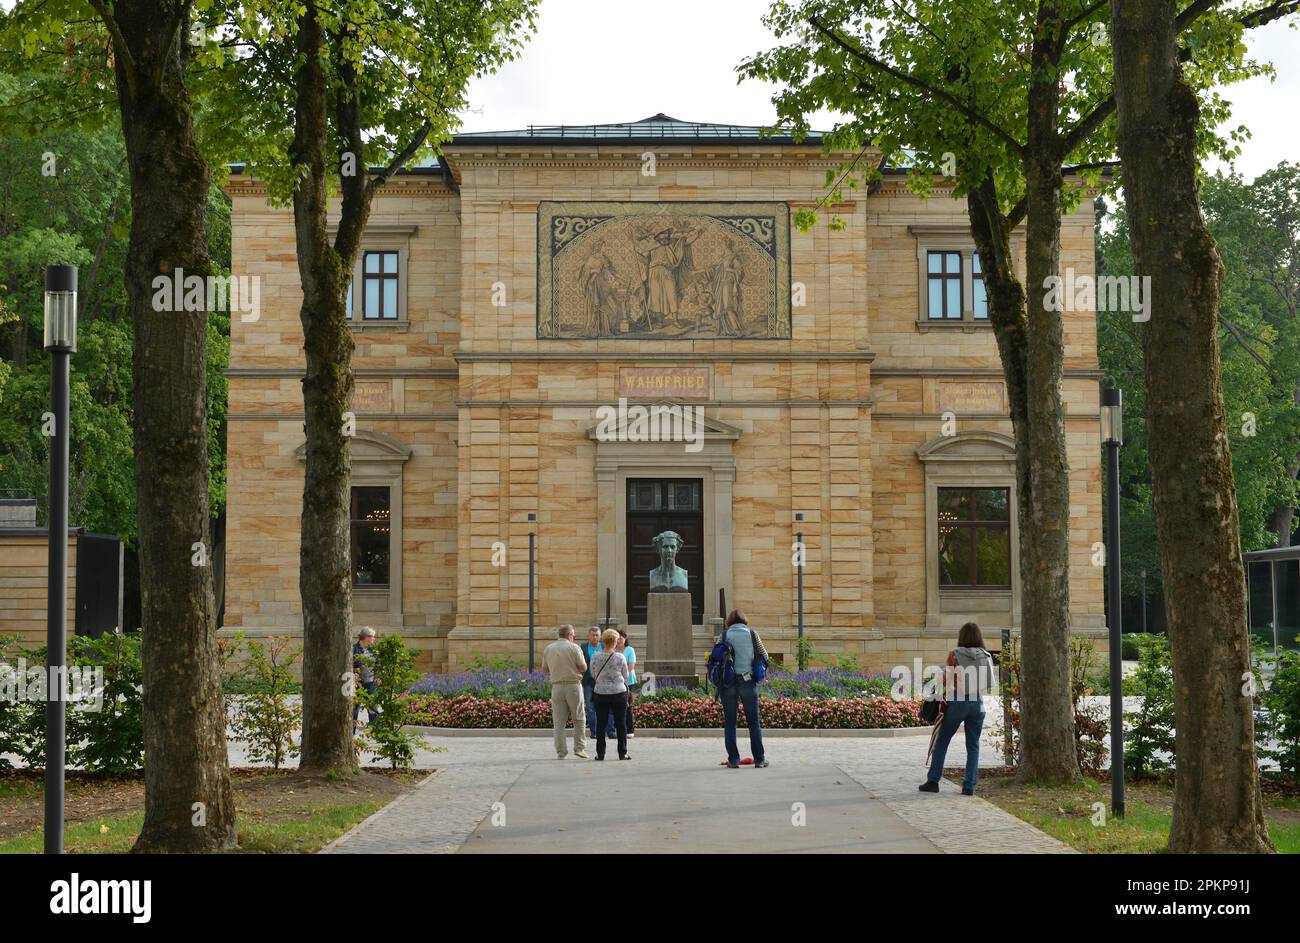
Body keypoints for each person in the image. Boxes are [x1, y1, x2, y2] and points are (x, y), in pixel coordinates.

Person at [919, 621, 996, 796]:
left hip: (957, 702)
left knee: (943, 741)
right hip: (978, 703)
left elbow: (944, 681)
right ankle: (969, 785)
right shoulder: (986, 655)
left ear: (961, 636)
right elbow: (990, 683)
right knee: (973, 745)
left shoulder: (954, 655)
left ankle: (933, 781)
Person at [717, 609, 768, 769]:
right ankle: (759, 760)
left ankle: (733, 759)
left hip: (728, 682)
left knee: (730, 722)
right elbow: (765, 655)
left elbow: (717, 656)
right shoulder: (753, 634)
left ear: (729, 621)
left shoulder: (724, 635)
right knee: (753, 722)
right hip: (748, 680)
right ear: (744, 620)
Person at [541, 624, 588, 759]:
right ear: (569, 635)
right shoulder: (574, 648)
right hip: (573, 685)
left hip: (556, 687)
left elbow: (544, 670)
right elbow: (583, 667)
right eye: (573, 635)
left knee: (559, 721)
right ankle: (579, 748)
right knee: (579, 718)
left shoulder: (549, 648)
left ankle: (561, 752)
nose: (574, 637)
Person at [589, 627, 630, 761]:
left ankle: (600, 753)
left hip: (600, 693)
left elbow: (593, 674)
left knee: (601, 723)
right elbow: (626, 675)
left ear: (604, 641)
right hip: (619, 693)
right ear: (614, 642)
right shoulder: (620, 657)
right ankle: (622, 753)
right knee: (620, 723)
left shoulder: (595, 656)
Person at [352, 626, 378, 734]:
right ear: (365, 637)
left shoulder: (373, 650)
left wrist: (377, 676)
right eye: (372, 636)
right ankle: (351, 732)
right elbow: (351, 665)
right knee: (355, 708)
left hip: (371, 682)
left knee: (372, 706)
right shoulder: (354, 649)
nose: (374, 639)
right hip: (358, 683)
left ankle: (376, 730)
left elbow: (377, 664)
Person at [580, 626, 602, 738]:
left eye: (597, 635)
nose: (595, 637)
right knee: (590, 707)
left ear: (600, 636)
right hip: (588, 681)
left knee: (603, 707)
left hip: (602, 682)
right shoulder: (582, 647)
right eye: (593, 635)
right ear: (588, 636)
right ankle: (594, 732)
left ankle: (608, 731)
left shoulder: (604, 647)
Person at [617, 629, 637, 738]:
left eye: (621, 638)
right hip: (617, 682)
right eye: (617, 638)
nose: (619, 640)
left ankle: (630, 730)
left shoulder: (630, 650)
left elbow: (631, 666)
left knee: (628, 706)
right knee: (619, 707)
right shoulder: (613, 651)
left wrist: (622, 677)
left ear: (625, 639)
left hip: (629, 681)